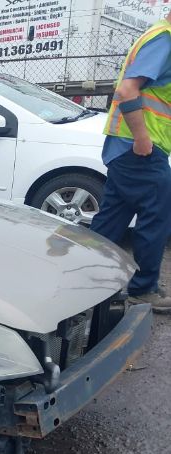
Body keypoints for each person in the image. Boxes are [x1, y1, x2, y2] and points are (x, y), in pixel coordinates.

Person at [91, 10, 171, 313]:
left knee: (112, 219)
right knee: (157, 215)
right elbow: (127, 90)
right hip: (141, 149)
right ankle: (143, 289)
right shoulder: (165, 40)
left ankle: (85, 278)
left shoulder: (158, 36)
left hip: (126, 149)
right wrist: (142, 138)